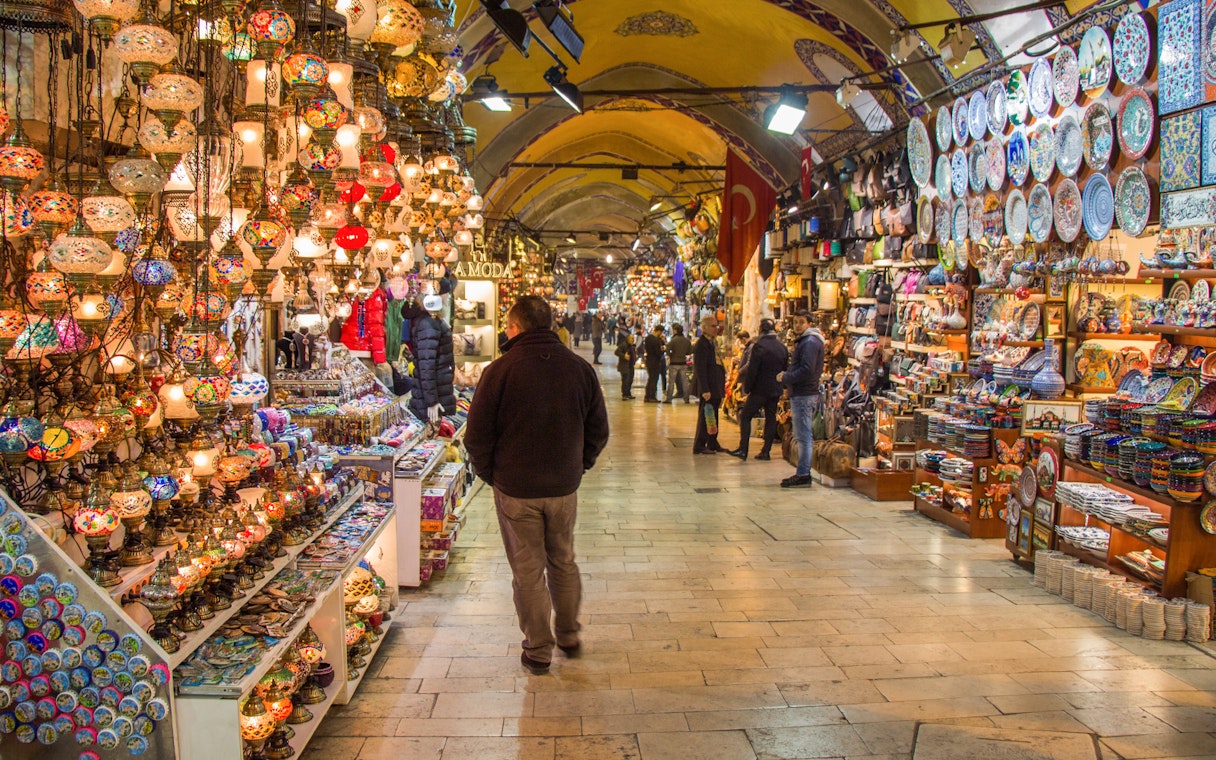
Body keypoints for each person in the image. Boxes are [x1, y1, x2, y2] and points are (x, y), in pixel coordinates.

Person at [465, 296, 609, 676]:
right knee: (563, 560)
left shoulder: (500, 371)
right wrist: (579, 466)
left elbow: (476, 436)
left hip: (516, 489)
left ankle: (539, 649)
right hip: (563, 487)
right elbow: (599, 430)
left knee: (527, 571)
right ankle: (568, 634)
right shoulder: (579, 369)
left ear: (515, 328)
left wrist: (492, 474)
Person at [727, 319, 788, 461]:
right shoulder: (781, 347)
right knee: (771, 418)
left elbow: (752, 369)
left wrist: (747, 388)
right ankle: (766, 451)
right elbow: (785, 369)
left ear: (761, 330)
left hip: (760, 389)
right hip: (775, 389)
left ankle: (743, 449)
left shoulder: (759, 346)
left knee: (746, 415)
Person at [777, 311, 825, 488]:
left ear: (809, 323)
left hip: (804, 394)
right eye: (795, 322)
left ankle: (804, 474)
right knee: (802, 435)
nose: (797, 325)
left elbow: (807, 369)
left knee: (804, 436)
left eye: (801, 322)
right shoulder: (806, 341)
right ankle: (802, 472)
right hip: (802, 392)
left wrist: (786, 378)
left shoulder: (810, 343)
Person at [692, 315, 726, 454]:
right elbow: (700, 368)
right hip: (709, 387)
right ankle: (700, 444)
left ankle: (712, 441)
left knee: (713, 415)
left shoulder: (712, 343)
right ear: (704, 328)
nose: (716, 328)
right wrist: (705, 389)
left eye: (716, 325)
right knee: (706, 416)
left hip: (715, 386)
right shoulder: (702, 345)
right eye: (712, 326)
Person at [666, 324, 693, 404]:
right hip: (683, 362)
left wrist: (671, 354)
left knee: (671, 382)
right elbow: (690, 351)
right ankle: (686, 399)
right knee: (684, 382)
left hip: (674, 362)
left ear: (675, 330)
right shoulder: (686, 341)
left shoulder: (673, 340)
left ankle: (669, 398)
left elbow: (668, 351)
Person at [642, 325, 666, 402]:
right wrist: (663, 351)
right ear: (659, 331)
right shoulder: (655, 340)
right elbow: (658, 353)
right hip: (655, 361)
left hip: (649, 360)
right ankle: (652, 396)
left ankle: (647, 396)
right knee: (654, 379)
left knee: (650, 378)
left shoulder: (648, 338)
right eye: (661, 332)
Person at [614, 328, 637, 400]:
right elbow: (617, 352)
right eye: (631, 338)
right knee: (625, 381)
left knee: (630, 380)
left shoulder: (632, 346)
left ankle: (628, 393)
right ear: (627, 339)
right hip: (624, 366)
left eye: (633, 338)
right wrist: (624, 356)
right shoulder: (623, 345)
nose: (633, 340)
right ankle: (624, 394)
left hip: (630, 366)